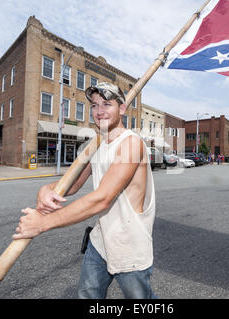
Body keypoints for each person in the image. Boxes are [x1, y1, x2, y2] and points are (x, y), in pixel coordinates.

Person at [13, 82, 157, 299]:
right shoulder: (98, 143)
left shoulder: (131, 144)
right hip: (100, 241)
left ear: (122, 109)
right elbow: (74, 183)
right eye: (94, 105)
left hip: (129, 244)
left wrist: (42, 223)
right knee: (88, 295)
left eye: (107, 104)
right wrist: (47, 188)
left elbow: (102, 199)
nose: (99, 112)